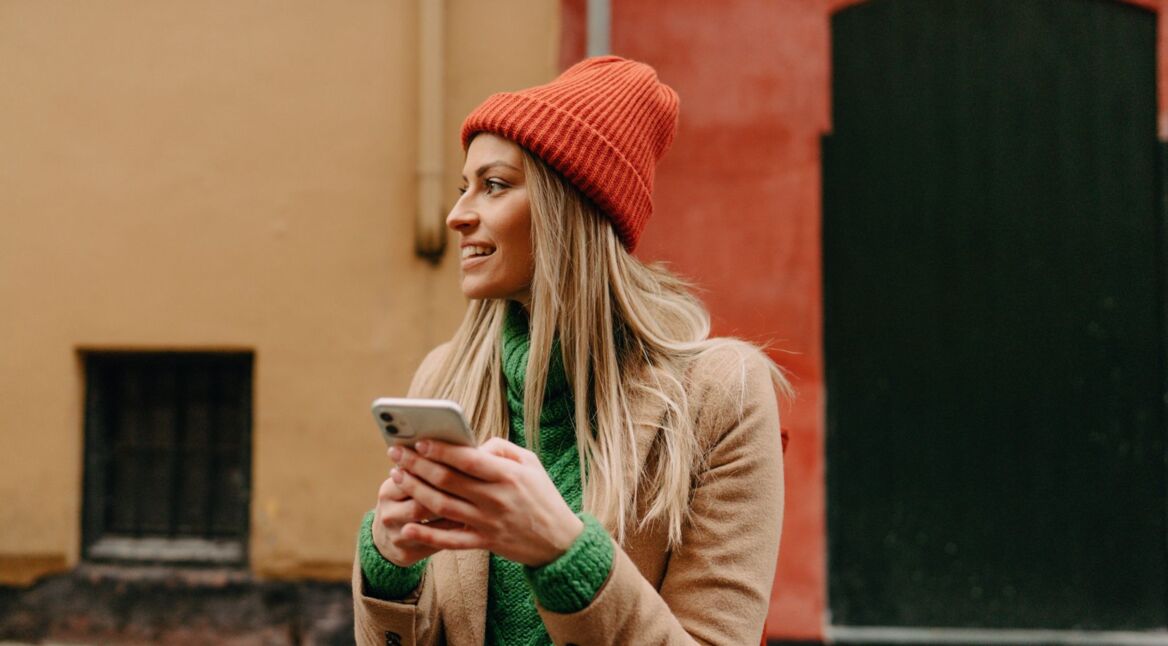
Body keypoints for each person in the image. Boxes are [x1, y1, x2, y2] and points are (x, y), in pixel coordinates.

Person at [353, 55, 788, 646]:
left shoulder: (721, 396)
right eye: (463, 188)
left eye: (495, 186)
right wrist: (388, 564)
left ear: (568, 208)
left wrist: (565, 555)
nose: (457, 215)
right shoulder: (445, 377)